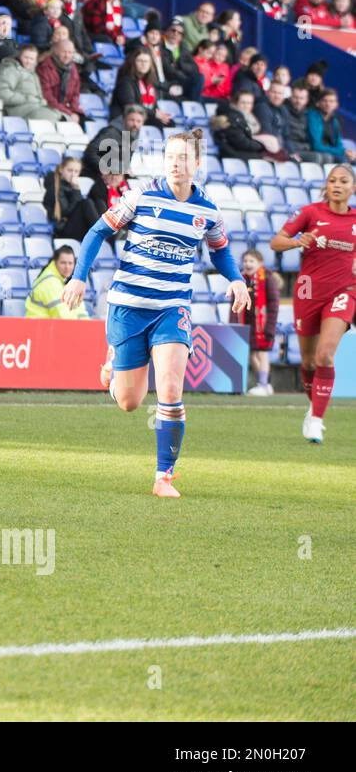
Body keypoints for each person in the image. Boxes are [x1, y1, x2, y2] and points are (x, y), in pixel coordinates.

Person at [63, 130, 250, 499]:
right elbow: (97, 232)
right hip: (129, 306)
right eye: (170, 156)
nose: (176, 164)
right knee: (130, 403)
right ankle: (113, 365)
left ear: (197, 164)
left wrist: (237, 279)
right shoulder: (141, 196)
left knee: (169, 388)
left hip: (172, 307)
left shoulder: (207, 210)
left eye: (183, 157)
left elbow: (221, 251)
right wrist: (79, 277)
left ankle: (163, 476)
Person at [271, 165, 356, 443]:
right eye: (332, 180)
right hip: (308, 292)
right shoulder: (310, 212)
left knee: (325, 355)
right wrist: (297, 241)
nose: (337, 185)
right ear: (326, 186)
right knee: (307, 361)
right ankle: (314, 407)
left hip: (343, 293)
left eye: (344, 181)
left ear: (352, 188)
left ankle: (317, 420)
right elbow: (276, 242)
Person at [231, 249, 280, 397]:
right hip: (247, 323)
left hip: (264, 324)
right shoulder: (240, 280)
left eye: (251, 261)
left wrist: (270, 326)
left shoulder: (268, 279)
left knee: (262, 353)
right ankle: (264, 383)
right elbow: (233, 303)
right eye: (245, 261)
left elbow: (273, 305)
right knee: (252, 354)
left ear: (260, 263)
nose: (248, 264)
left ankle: (263, 384)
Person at [0, 44, 60, 121]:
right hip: (18, 112)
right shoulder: (11, 70)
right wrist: (26, 99)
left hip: (35, 109)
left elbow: (37, 97)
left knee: (64, 117)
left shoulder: (33, 74)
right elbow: (2, 93)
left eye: (31, 59)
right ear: (20, 56)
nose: (28, 61)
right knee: (53, 117)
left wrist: (41, 101)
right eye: (26, 57)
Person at [43, 156, 97, 243]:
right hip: (62, 230)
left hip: (74, 227)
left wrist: (75, 190)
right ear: (61, 170)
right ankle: (101, 232)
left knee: (93, 202)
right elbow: (65, 212)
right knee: (87, 203)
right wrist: (76, 190)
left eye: (76, 171)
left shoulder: (71, 186)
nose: (73, 174)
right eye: (70, 170)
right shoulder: (54, 188)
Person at [26, 246, 89, 319]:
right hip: (37, 327)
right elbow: (61, 315)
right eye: (63, 263)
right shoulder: (49, 282)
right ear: (55, 262)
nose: (67, 267)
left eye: (70, 263)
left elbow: (79, 310)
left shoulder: (61, 281)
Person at [37, 37, 81, 123]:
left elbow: (75, 94)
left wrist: (74, 111)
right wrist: (68, 113)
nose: (67, 56)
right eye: (64, 52)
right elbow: (47, 97)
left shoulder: (73, 68)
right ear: (56, 52)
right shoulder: (44, 68)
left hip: (67, 109)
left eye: (70, 52)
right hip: (49, 108)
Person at [308, 89, 356, 165]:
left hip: (331, 152)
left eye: (331, 101)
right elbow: (317, 146)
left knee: (353, 159)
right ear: (319, 103)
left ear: (336, 104)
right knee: (343, 161)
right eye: (325, 101)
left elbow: (338, 143)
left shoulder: (335, 120)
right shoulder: (313, 117)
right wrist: (343, 152)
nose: (328, 104)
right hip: (318, 152)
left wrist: (347, 152)